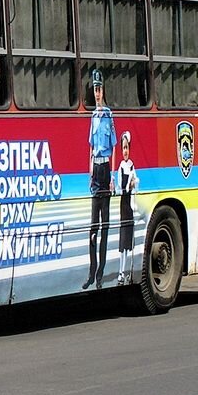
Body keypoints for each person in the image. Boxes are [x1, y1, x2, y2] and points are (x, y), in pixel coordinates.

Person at [84, 69, 115, 290]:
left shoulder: (108, 115)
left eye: (99, 89)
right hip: (95, 169)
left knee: (105, 226)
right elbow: (91, 148)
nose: (97, 93)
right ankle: (91, 272)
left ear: (104, 91)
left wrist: (112, 177)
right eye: (94, 89)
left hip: (106, 170)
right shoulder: (93, 116)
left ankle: (101, 274)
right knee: (93, 227)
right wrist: (89, 173)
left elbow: (112, 148)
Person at [116, 131, 139, 285]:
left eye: (127, 148)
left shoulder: (131, 165)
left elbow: (137, 185)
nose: (125, 151)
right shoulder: (121, 167)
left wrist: (133, 184)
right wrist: (126, 186)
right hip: (123, 205)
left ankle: (129, 272)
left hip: (130, 205)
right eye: (123, 148)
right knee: (123, 240)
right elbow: (119, 187)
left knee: (129, 241)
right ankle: (120, 272)